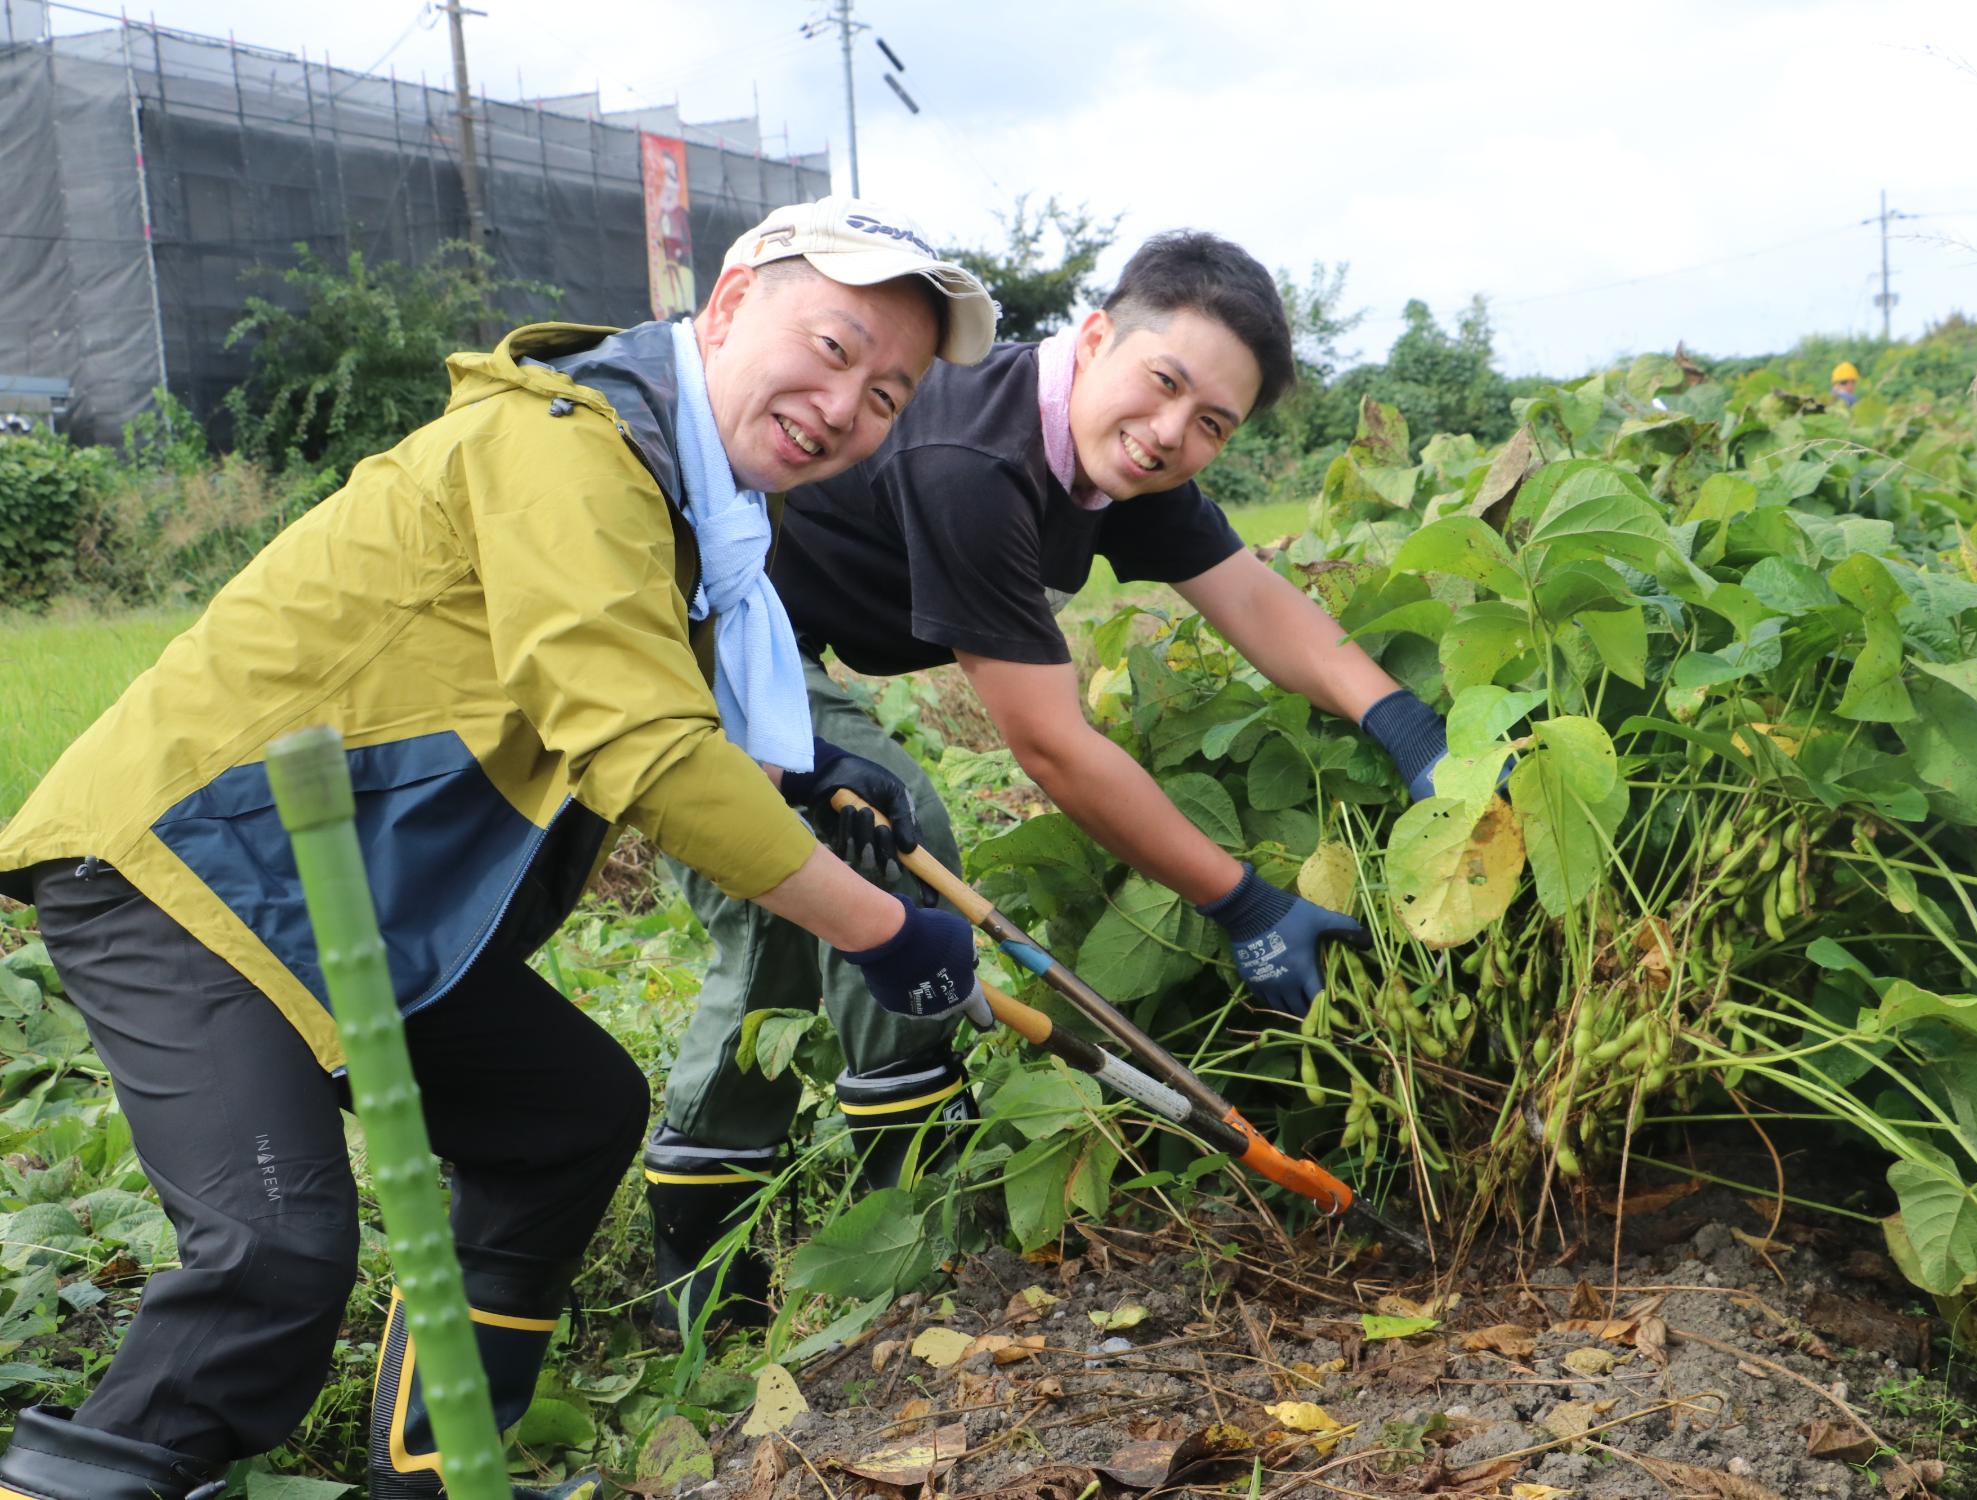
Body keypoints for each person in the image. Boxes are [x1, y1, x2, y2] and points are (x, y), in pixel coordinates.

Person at [0, 197, 998, 1500]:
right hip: (190, 869)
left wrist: (806, 771)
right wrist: (884, 935)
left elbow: (634, 689)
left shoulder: (675, 494)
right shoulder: (566, 447)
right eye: (832, 348)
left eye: (884, 396)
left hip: (346, 895)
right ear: (731, 301)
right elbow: (641, 747)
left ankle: (437, 1471)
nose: (843, 408)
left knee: (563, 1115)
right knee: (273, 1253)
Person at [642, 230, 1459, 1333]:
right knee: (836, 873)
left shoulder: (1122, 452)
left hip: (778, 622)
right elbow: (1052, 747)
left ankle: (906, 1200)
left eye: (1212, 422)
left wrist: (1410, 731)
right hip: (697, 620)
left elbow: (1255, 601)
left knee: (871, 854)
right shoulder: (976, 461)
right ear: (1095, 336)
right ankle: (709, 1269)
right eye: (1163, 381)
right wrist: (1244, 905)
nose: (1172, 430)